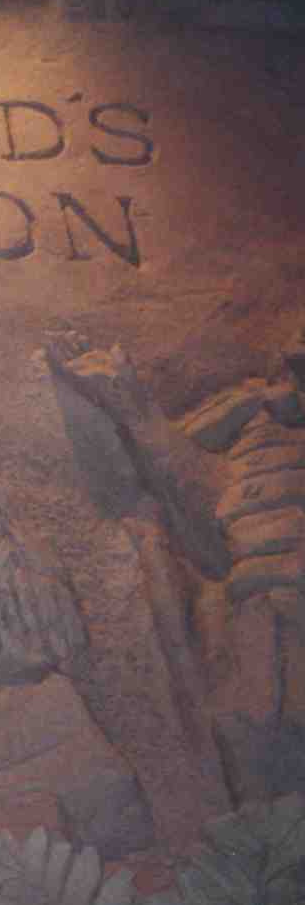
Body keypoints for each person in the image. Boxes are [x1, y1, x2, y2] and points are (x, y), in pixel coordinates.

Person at [46, 328, 305, 803]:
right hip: (258, 607)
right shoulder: (252, 420)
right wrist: (129, 402)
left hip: (279, 604)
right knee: (250, 725)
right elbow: (200, 497)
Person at [0, 474, 155, 857]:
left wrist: (14, 583)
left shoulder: (30, 560)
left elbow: (58, 641)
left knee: (102, 774)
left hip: (34, 695)